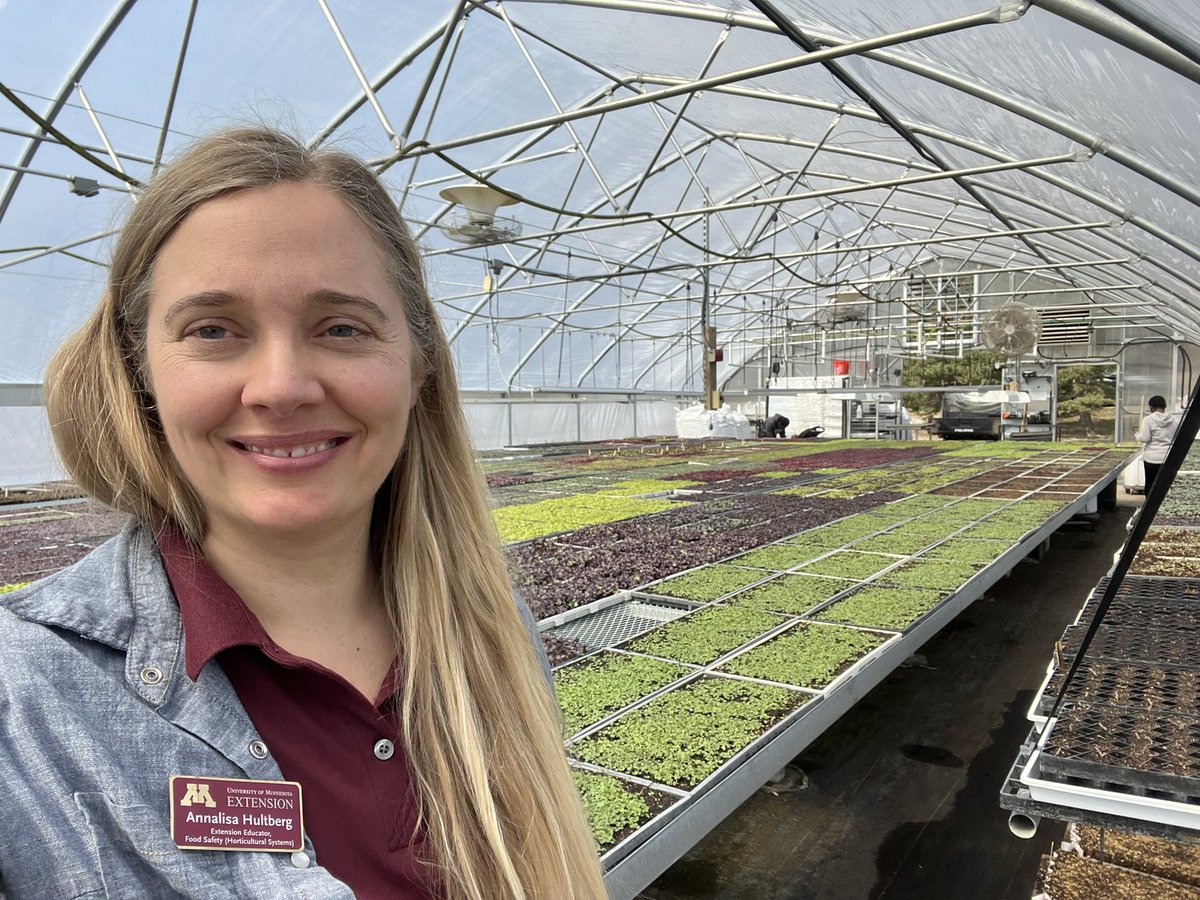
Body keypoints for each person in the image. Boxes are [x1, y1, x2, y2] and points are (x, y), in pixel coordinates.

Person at [0, 128, 607, 900]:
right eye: (213, 330)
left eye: (342, 328)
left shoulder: (492, 634)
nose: (281, 387)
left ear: (417, 367)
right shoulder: (24, 701)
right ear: (138, 368)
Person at [1135, 394, 1180, 492]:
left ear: (1151, 407)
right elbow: (1177, 437)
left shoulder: (1148, 420)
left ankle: (1149, 506)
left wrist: (1137, 435)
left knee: (1150, 485)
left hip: (1152, 458)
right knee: (1165, 486)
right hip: (1168, 457)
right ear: (1165, 407)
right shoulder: (1174, 420)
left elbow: (1145, 439)